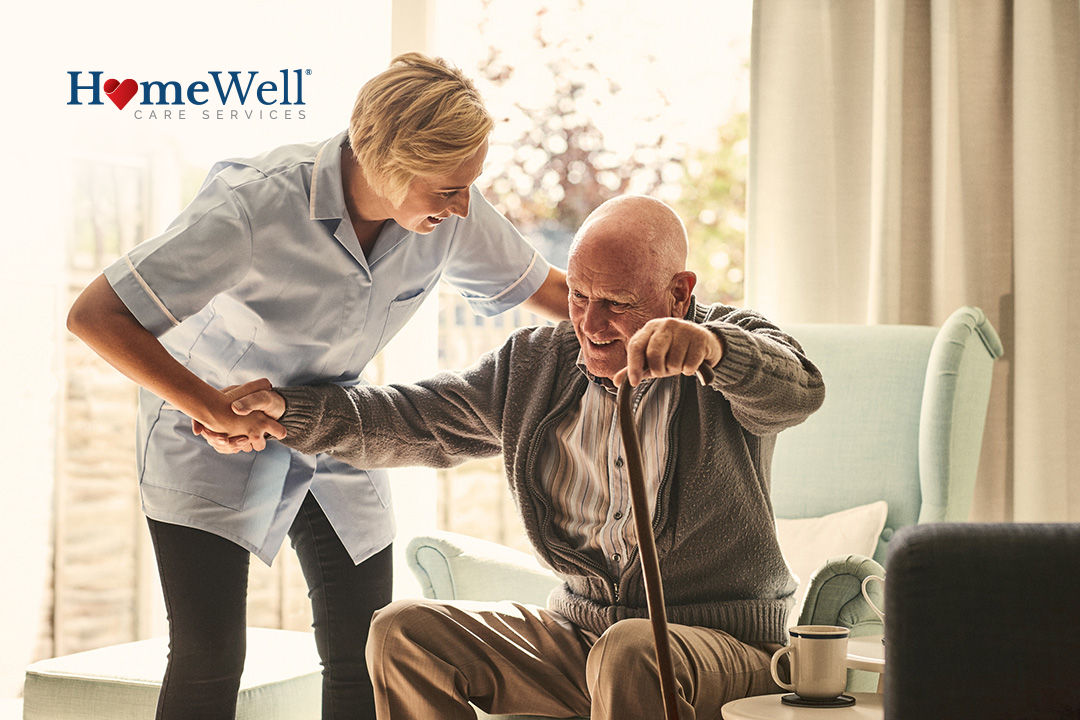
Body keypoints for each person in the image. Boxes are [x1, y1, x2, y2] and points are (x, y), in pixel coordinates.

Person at [66, 53, 570, 720]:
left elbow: (561, 295)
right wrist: (208, 404)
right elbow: (96, 314)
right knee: (210, 653)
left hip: (335, 425)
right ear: (388, 162)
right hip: (210, 432)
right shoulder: (256, 206)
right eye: (447, 190)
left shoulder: (451, 211)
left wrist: (668, 321)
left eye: (467, 187)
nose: (461, 207)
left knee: (368, 650)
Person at [217, 194, 827, 720]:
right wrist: (286, 412)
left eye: (616, 303)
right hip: (583, 638)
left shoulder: (724, 347)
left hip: (724, 646)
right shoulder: (536, 366)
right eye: (579, 295)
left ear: (679, 291)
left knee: (632, 650)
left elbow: (799, 390)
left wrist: (713, 350)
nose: (590, 323)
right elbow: (414, 419)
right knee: (402, 632)